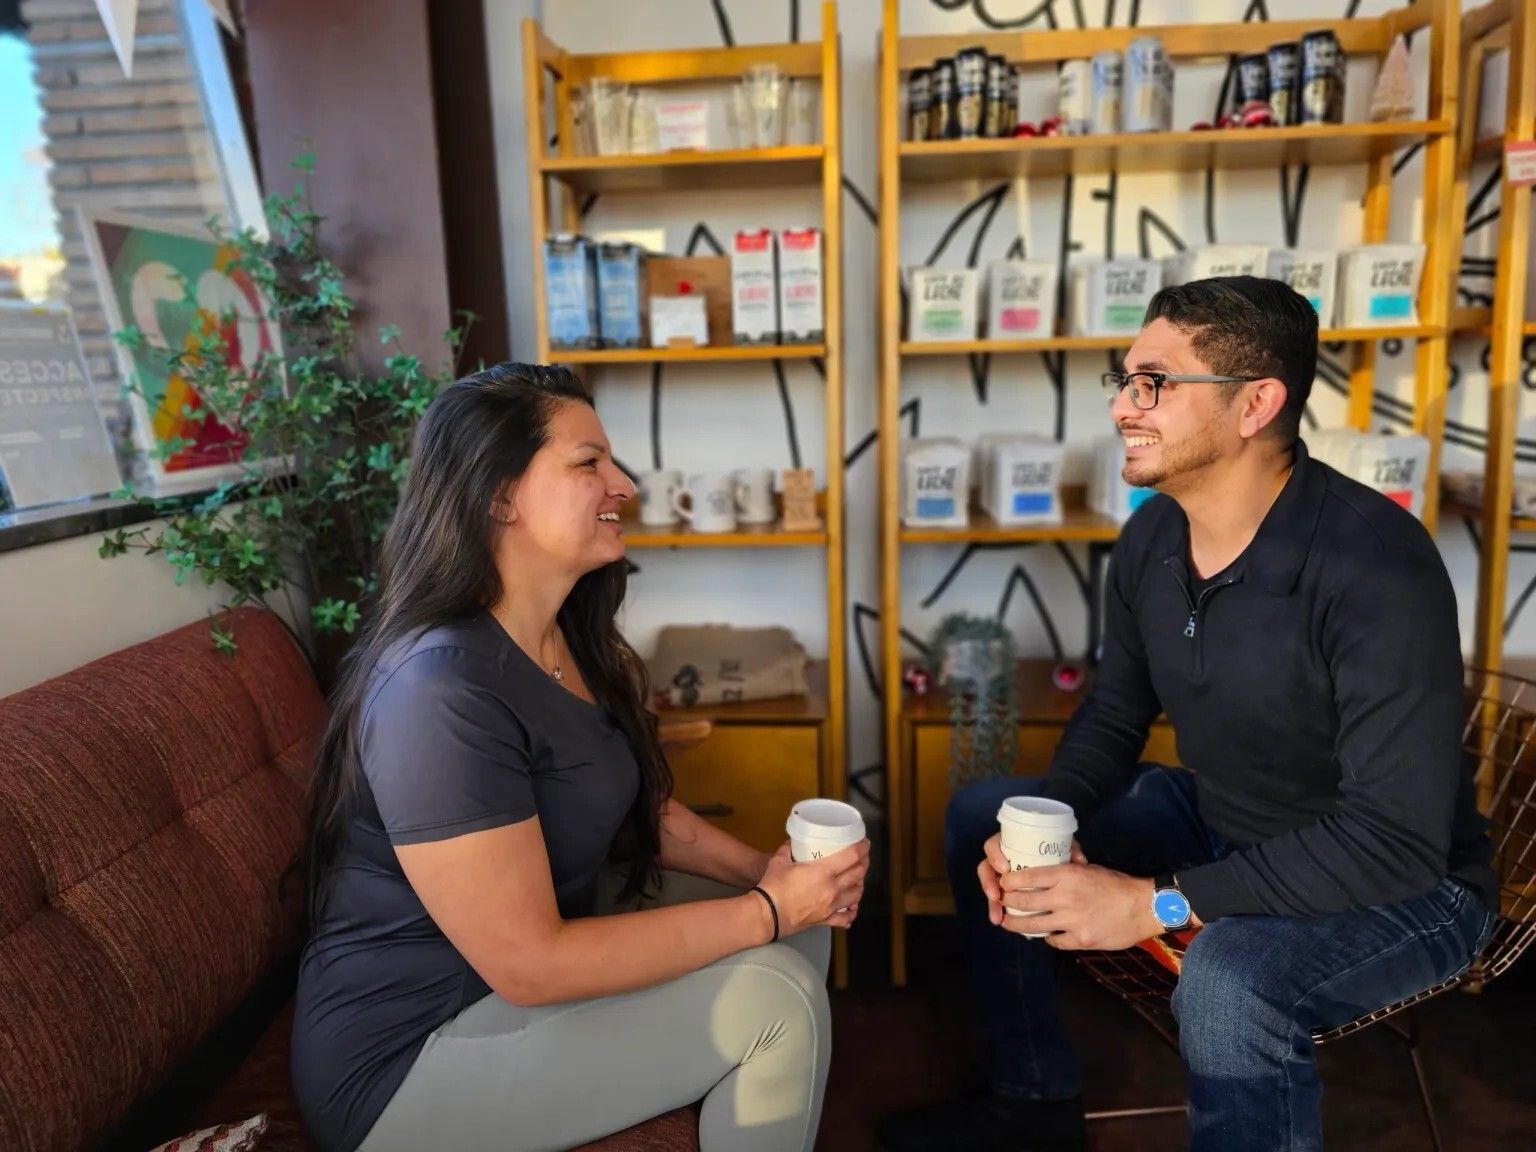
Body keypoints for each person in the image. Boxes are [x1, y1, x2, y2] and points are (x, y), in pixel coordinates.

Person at [879, 276, 1497, 1152]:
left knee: (1225, 978)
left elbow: (1392, 841)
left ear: (1256, 404)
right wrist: (1049, 828)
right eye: (1125, 380)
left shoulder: (1375, 567)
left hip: (1410, 886)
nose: (1123, 406)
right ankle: (1031, 1099)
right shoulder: (1152, 538)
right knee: (993, 818)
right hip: (1229, 825)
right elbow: (1115, 711)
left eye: (1155, 383)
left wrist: (1154, 904)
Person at [291, 363, 868, 1152]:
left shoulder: (563, 635)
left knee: (805, 934)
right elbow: (529, 964)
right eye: (588, 462)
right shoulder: (438, 690)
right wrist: (764, 909)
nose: (622, 485)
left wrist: (763, 875)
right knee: (777, 1001)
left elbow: (632, 802)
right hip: (408, 1056)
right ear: (500, 495)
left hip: (515, 983)